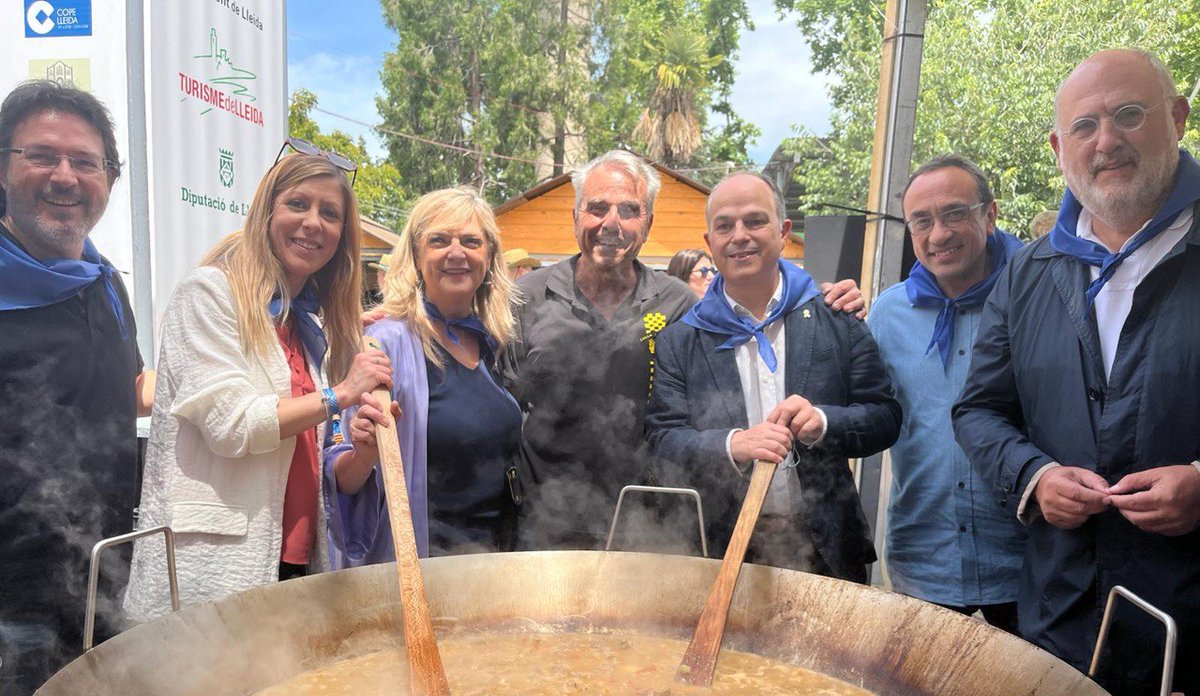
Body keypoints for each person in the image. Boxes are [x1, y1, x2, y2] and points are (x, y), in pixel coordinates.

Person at [952, 49, 1200, 696]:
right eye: (1084, 126)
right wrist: (1034, 477)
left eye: (1129, 115)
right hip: (1066, 612)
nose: (1107, 141)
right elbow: (978, 409)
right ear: (1060, 149)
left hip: (1191, 610)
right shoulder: (1031, 271)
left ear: (1176, 119)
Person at [505, 150, 866, 550]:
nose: (612, 223)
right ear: (575, 217)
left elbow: (750, 303)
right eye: (597, 208)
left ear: (647, 224)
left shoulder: (679, 303)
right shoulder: (525, 298)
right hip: (544, 524)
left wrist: (822, 297)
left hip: (650, 524)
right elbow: (499, 408)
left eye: (629, 210)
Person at [124, 149, 391, 622]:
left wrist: (363, 448)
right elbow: (232, 426)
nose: (313, 223)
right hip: (212, 567)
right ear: (267, 212)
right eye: (298, 204)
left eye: (330, 213)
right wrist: (341, 394)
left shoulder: (308, 326)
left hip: (296, 558)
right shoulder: (208, 294)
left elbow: (313, 457)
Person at [0, 78, 149, 696]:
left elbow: (126, 395)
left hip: (98, 594)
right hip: (8, 611)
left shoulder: (102, 284)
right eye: (41, 156)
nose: (65, 177)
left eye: (86, 163)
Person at [646, 172, 900, 581]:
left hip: (828, 550)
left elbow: (885, 418)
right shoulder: (681, 339)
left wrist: (824, 422)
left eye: (754, 221)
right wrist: (733, 444)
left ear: (783, 232)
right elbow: (662, 438)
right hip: (722, 551)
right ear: (710, 243)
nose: (739, 235)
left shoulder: (837, 318)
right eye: (725, 225)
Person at [867, 155, 1025, 631]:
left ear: (989, 214)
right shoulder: (887, 314)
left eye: (955, 213)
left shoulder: (1038, 298)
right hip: (924, 555)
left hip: (1026, 561)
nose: (939, 235)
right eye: (922, 221)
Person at [326, 186, 522, 560]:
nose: (456, 252)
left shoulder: (488, 342)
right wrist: (365, 452)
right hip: (421, 566)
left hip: (488, 559)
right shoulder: (385, 342)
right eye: (439, 240)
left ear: (489, 258)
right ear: (417, 257)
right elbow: (344, 479)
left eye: (471, 241)